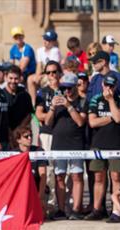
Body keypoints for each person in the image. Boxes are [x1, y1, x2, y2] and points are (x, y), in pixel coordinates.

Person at [87, 73, 120, 221]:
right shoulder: (95, 99)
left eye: (111, 86)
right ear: (102, 85)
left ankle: (116, 210)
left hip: (116, 144)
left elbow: (118, 118)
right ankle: (97, 209)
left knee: (116, 177)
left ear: (116, 87)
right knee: (98, 177)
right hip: (98, 143)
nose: (108, 88)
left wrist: (111, 100)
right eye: (106, 85)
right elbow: (92, 122)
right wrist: (110, 117)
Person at [47, 72, 87, 219]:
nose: (67, 91)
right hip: (58, 144)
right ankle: (61, 209)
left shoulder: (82, 102)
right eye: (64, 88)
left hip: (75, 144)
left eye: (70, 88)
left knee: (77, 176)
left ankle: (76, 209)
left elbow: (80, 122)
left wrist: (68, 105)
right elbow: (47, 122)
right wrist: (52, 107)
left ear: (76, 86)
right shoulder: (57, 100)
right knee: (59, 177)